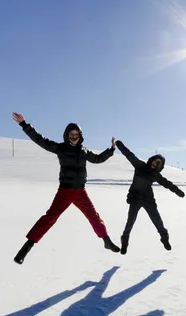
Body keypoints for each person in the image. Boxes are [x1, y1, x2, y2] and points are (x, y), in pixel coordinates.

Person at [12, 112, 121, 264]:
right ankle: (25, 248)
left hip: (80, 191)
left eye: (76, 134)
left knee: (93, 216)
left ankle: (106, 241)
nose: (74, 136)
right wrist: (24, 125)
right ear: (67, 134)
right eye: (71, 133)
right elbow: (40, 140)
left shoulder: (84, 151)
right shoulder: (60, 148)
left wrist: (110, 150)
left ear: (80, 135)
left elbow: (97, 159)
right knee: (50, 217)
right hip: (65, 190)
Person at [115, 139, 185, 255]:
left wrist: (178, 191)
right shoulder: (139, 165)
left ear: (160, 166)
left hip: (148, 199)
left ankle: (164, 238)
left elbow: (167, 183)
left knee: (157, 220)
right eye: (155, 161)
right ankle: (125, 242)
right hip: (135, 198)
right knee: (130, 221)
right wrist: (120, 145)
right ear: (151, 160)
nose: (155, 164)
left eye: (158, 164)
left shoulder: (156, 175)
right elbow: (129, 155)